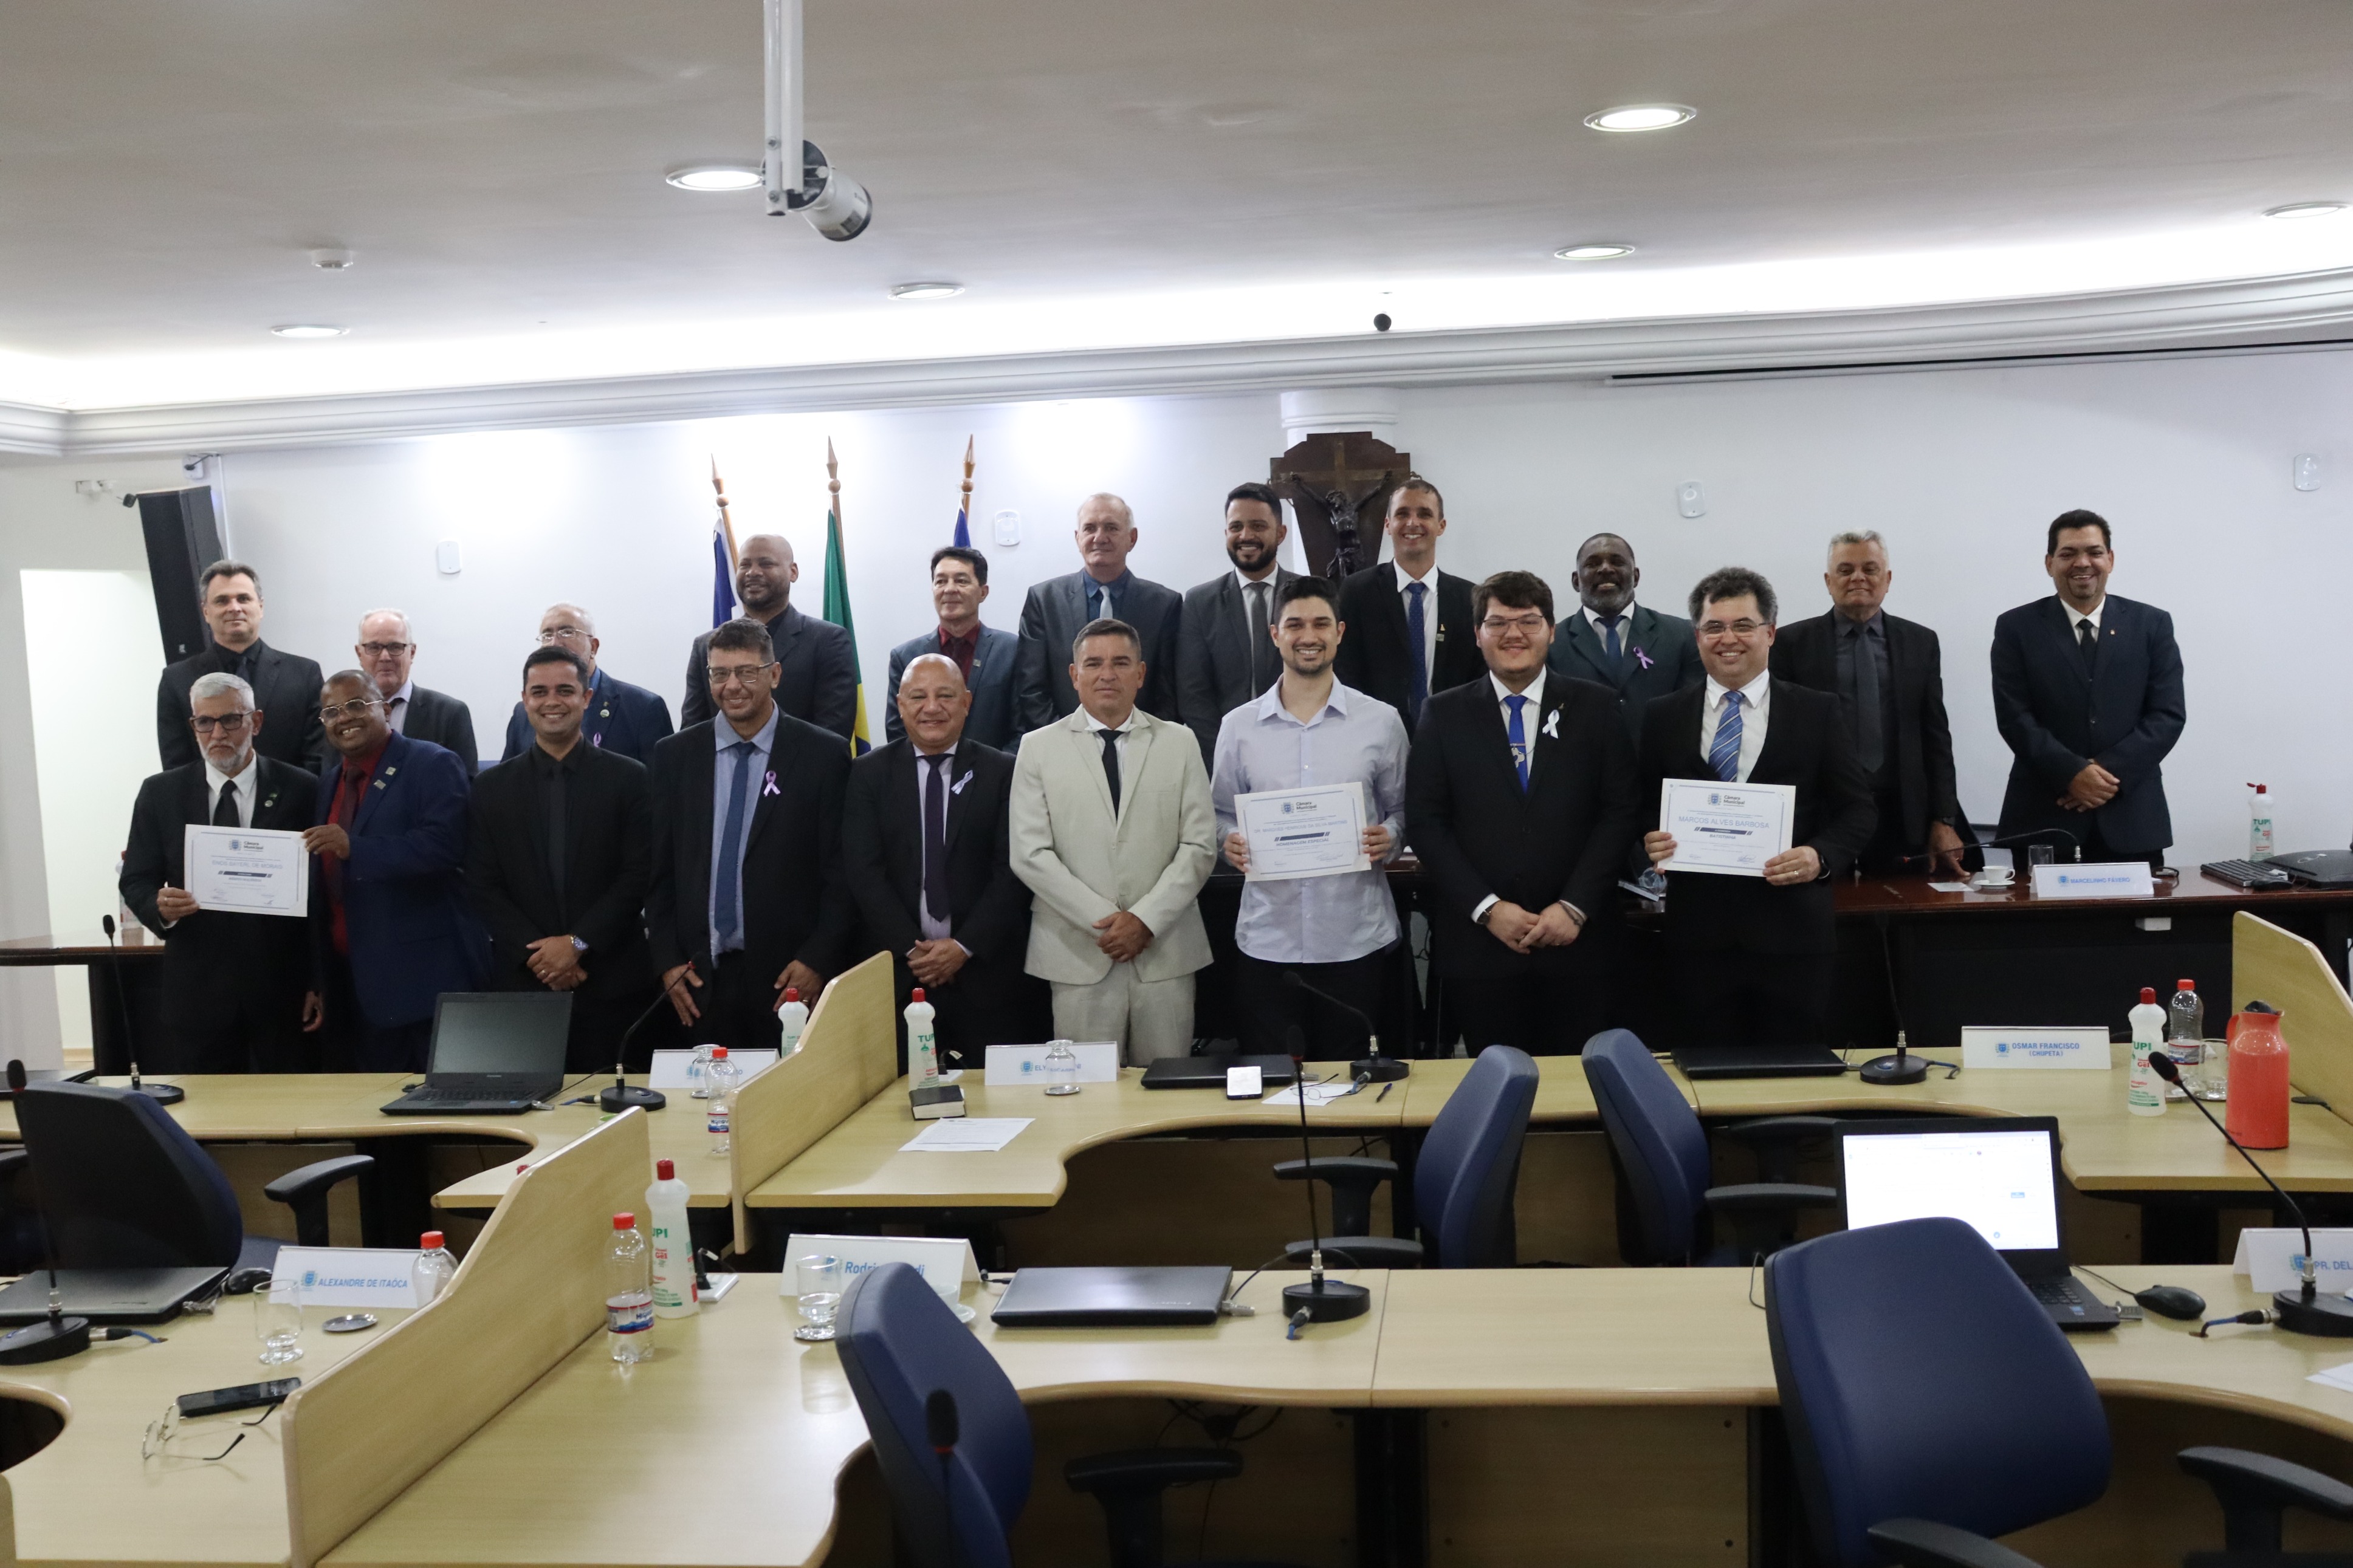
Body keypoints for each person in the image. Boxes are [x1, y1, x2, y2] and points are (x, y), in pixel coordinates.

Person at [1638, 569, 1875, 1048]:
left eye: (1744, 625)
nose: (1728, 639)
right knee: (1705, 1075)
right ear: (1697, 636)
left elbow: (1859, 810)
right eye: (1714, 627)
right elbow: (1640, 807)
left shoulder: (1817, 711)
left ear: (1770, 632)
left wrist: (1819, 856)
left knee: (1793, 1076)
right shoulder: (1662, 715)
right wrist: (1648, 841)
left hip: (1793, 941)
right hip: (1698, 942)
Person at [1406, 571, 1638, 1054]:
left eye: (1529, 621)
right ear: (1478, 634)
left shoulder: (1596, 707)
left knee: (1581, 1081)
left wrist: (1574, 906)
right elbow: (1426, 823)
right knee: (1500, 1081)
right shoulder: (1443, 714)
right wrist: (1488, 909)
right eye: (1498, 623)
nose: (1513, 634)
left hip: (1579, 942)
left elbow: (1619, 813)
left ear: (1551, 630)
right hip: (1482, 948)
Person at [1212, 578, 1408, 1060]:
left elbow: (1405, 809)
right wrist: (1228, 840)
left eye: (1321, 624)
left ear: (1339, 632)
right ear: (1275, 633)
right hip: (1268, 943)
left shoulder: (1381, 721)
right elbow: (1219, 813)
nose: (1308, 636)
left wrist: (1391, 836)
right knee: (1273, 1083)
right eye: (1295, 624)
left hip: (1355, 940)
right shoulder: (1238, 727)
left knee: (1353, 1086)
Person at [1009, 618, 1215, 1063]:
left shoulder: (1179, 742)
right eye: (1094, 664)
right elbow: (1030, 854)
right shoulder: (1037, 748)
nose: (1107, 674)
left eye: (1121, 663)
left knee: (1166, 1089)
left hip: (1164, 951)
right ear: (1074, 674)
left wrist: (1144, 920)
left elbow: (1199, 846)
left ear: (1140, 674)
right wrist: (1107, 923)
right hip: (1078, 953)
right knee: (1089, 1092)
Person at [648, 617, 854, 1051]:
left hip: (790, 981)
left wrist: (817, 960)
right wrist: (666, 961)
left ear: (774, 674)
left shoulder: (823, 754)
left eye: (746, 672)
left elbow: (842, 874)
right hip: (697, 981)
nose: (732, 686)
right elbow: (659, 872)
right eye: (720, 674)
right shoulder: (674, 757)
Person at [844, 653, 1045, 1070]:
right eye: (918, 696)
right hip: (899, 978)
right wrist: (914, 950)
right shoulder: (868, 774)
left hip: (989, 976)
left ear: (967, 702)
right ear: (900, 705)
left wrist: (963, 947)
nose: (932, 707)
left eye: (946, 696)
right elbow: (864, 872)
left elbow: (1012, 869)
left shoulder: (1005, 771)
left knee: (997, 1100)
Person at [119, 672, 321, 1073]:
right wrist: (159, 907)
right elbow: (136, 878)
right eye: (205, 722)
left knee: (288, 1105)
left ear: (256, 722)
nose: (217, 733)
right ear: (193, 725)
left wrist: (318, 980)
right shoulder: (161, 793)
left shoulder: (303, 789)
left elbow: (320, 894)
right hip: (198, 991)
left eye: (230, 719)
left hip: (281, 987)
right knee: (207, 1108)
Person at [468, 646, 657, 1073]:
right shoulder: (491, 788)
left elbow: (638, 876)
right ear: (524, 700)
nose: (551, 701)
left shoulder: (630, 778)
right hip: (524, 984)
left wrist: (576, 944)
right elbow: (482, 884)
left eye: (565, 690)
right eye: (539, 691)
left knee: (612, 1105)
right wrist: (543, 956)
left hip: (611, 983)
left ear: (586, 698)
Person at [306, 671, 486, 1072]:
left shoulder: (432, 763)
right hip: (354, 984)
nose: (344, 718)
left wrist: (355, 848)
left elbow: (446, 847)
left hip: (423, 982)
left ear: (386, 710)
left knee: (441, 1103)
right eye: (332, 711)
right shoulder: (330, 782)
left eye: (356, 705)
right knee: (375, 1105)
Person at [1990, 510, 2185, 869]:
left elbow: (2167, 715)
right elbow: (2014, 717)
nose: (2083, 563)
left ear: (2110, 559)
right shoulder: (2016, 627)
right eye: (2068, 554)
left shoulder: (2152, 624)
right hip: (2044, 818)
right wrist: (2070, 774)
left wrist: (2101, 775)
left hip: (2132, 818)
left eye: (2094, 552)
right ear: (2049, 563)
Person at [1770, 532, 1967, 876]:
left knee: (1905, 903)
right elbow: (1781, 738)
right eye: (1845, 570)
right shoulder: (1790, 643)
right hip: (1824, 814)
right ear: (1828, 581)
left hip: (1902, 812)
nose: (1858, 578)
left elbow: (1935, 735)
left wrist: (1944, 818)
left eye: (1870, 569)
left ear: (1887, 579)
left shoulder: (1920, 642)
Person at [1015, 494, 1183, 730]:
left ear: (1132, 538)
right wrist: (1065, 739)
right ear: (1078, 538)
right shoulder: (1044, 601)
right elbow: (1031, 689)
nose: (1099, 538)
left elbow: (1169, 693)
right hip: (1060, 742)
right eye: (1090, 528)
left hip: (1143, 743)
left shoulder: (1164, 605)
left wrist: (1147, 740)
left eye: (1111, 528)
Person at [1333, 479, 1483, 734]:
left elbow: (1478, 679)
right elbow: (1345, 670)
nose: (1413, 523)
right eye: (1402, 514)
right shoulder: (1356, 592)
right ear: (1388, 525)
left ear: (1441, 526)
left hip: (1452, 737)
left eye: (1424, 514)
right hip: (1375, 735)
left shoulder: (1469, 597)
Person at [680, 534, 857, 740]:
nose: (753, 572)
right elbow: (692, 736)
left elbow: (833, 735)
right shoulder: (705, 646)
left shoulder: (828, 641)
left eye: (766, 564)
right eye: (745, 565)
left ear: (793, 572)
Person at [156, 560, 325, 772]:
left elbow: (318, 758)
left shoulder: (304, 675)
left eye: (243, 599)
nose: (234, 608)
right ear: (206, 611)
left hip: (292, 792)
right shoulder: (177, 680)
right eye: (222, 601)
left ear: (260, 607)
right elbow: (177, 768)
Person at [1178, 482, 1300, 765]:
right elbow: (1193, 695)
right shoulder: (1199, 603)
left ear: (1281, 533)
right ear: (1226, 534)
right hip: (1224, 758)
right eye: (1236, 527)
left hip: (1300, 753)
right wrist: (1227, 754)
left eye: (1258, 526)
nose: (1246, 536)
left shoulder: (1310, 596)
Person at [1546, 532, 1705, 739]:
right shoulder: (1551, 643)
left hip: (1660, 756)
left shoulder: (1682, 635)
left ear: (1636, 577)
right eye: (1593, 564)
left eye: (1617, 562)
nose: (1605, 569)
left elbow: (1694, 712)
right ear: (1576, 581)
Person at [500, 603, 675, 765]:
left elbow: (659, 783)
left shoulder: (642, 708)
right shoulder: (524, 713)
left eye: (567, 632)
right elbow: (509, 778)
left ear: (594, 647)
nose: (555, 643)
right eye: (547, 635)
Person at [884, 547, 1021, 750]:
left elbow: (1024, 728)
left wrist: (994, 767)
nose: (949, 589)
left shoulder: (1012, 651)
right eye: (941, 581)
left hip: (999, 768)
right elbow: (898, 732)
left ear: (983, 592)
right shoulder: (905, 657)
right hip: (927, 770)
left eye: (961, 581)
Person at [355, 609, 478, 773]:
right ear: (359, 654)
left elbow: (464, 782)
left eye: (395, 647)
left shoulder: (449, 714)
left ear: (412, 653)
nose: (385, 657)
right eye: (374, 647)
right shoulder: (342, 717)